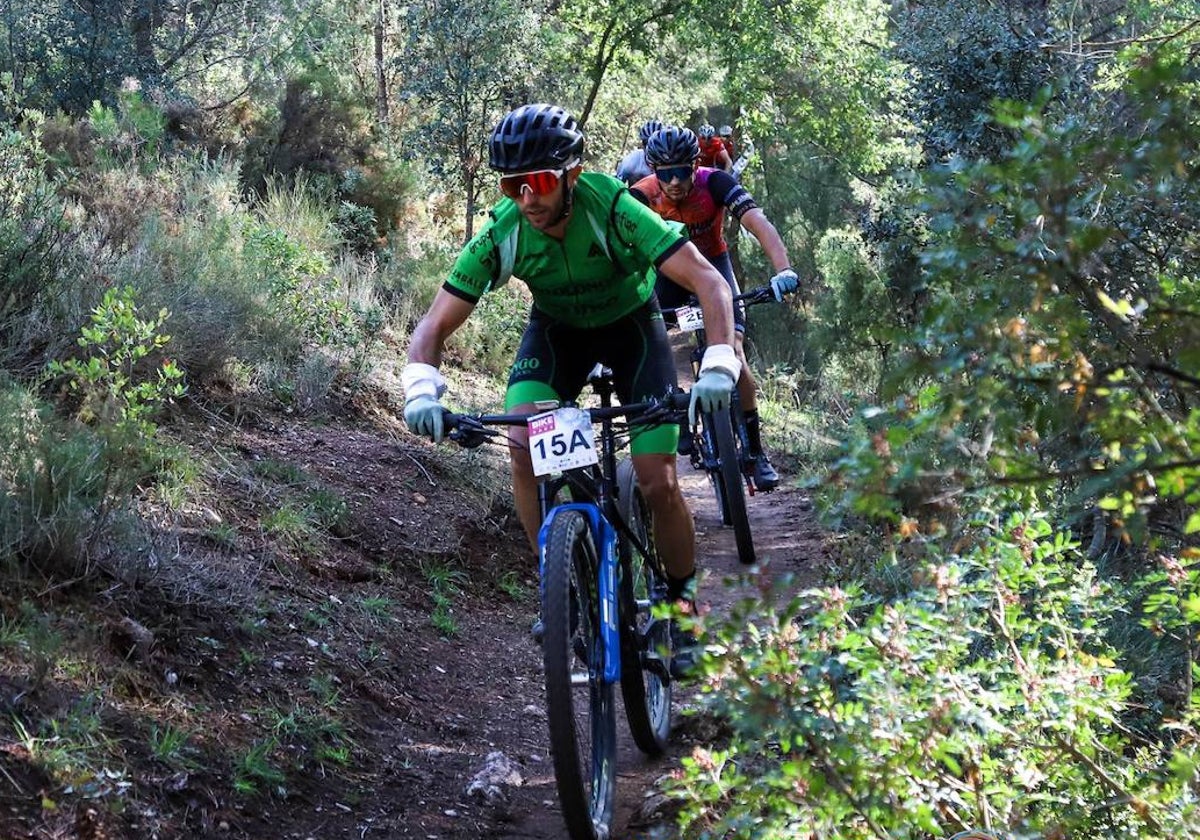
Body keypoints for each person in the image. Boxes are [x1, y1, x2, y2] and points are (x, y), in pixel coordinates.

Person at [402, 104, 741, 660]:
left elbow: (709, 283)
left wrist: (721, 363)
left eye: (536, 182)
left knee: (658, 479)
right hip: (558, 334)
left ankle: (682, 605)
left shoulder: (614, 207)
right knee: (522, 447)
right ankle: (558, 582)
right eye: (513, 185)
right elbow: (435, 323)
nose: (526, 198)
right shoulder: (506, 227)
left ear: (572, 175)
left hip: (632, 330)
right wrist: (420, 388)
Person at [630, 125, 798, 491]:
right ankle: (675, 412)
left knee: (735, 356)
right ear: (651, 168)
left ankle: (755, 452)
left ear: (695, 165)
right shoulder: (640, 196)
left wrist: (783, 268)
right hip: (668, 275)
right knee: (661, 344)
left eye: (682, 172)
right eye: (664, 173)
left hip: (714, 269)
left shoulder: (715, 182)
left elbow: (758, 223)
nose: (674, 182)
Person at [614, 118, 663, 185]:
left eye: (656, 144)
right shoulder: (631, 161)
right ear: (642, 145)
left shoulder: (669, 160)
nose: (652, 148)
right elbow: (617, 185)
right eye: (647, 144)